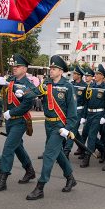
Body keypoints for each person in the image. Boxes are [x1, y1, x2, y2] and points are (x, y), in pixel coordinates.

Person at [26, 55, 77, 200]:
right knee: (58, 153)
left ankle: (40, 186)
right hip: (48, 123)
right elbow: (35, 92)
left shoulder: (68, 87)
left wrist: (68, 128)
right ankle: (70, 178)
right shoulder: (47, 84)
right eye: (51, 68)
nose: (51, 71)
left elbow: (73, 112)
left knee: (48, 154)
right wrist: (22, 94)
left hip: (59, 126)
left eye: (54, 69)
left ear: (61, 71)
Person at [0, 54, 38, 192]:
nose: (14, 68)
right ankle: (29, 170)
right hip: (9, 121)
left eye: (17, 66)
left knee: (8, 147)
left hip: (20, 120)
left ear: (25, 68)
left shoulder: (29, 85)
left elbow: (27, 104)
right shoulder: (10, 79)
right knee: (17, 147)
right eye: (14, 66)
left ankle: (3, 178)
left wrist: (12, 113)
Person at [80, 65, 105, 166]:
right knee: (87, 133)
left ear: (102, 76)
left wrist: (104, 117)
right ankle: (104, 150)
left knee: (92, 135)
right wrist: (84, 116)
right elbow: (86, 102)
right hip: (89, 113)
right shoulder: (91, 86)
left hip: (99, 114)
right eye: (95, 73)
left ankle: (87, 157)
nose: (95, 75)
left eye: (98, 74)